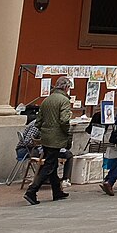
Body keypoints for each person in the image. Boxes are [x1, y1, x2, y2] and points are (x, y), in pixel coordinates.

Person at [26, 76, 74, 205]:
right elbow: (64, 120)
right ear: (66, 87)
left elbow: (38, 121)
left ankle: (57, 191)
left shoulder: (47, 100)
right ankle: (32, 190)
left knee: (51, 163)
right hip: (56, 137)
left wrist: (45, 130)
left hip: (45, 137)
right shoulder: (64, 101)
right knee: (49, 165)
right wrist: (66, 131)